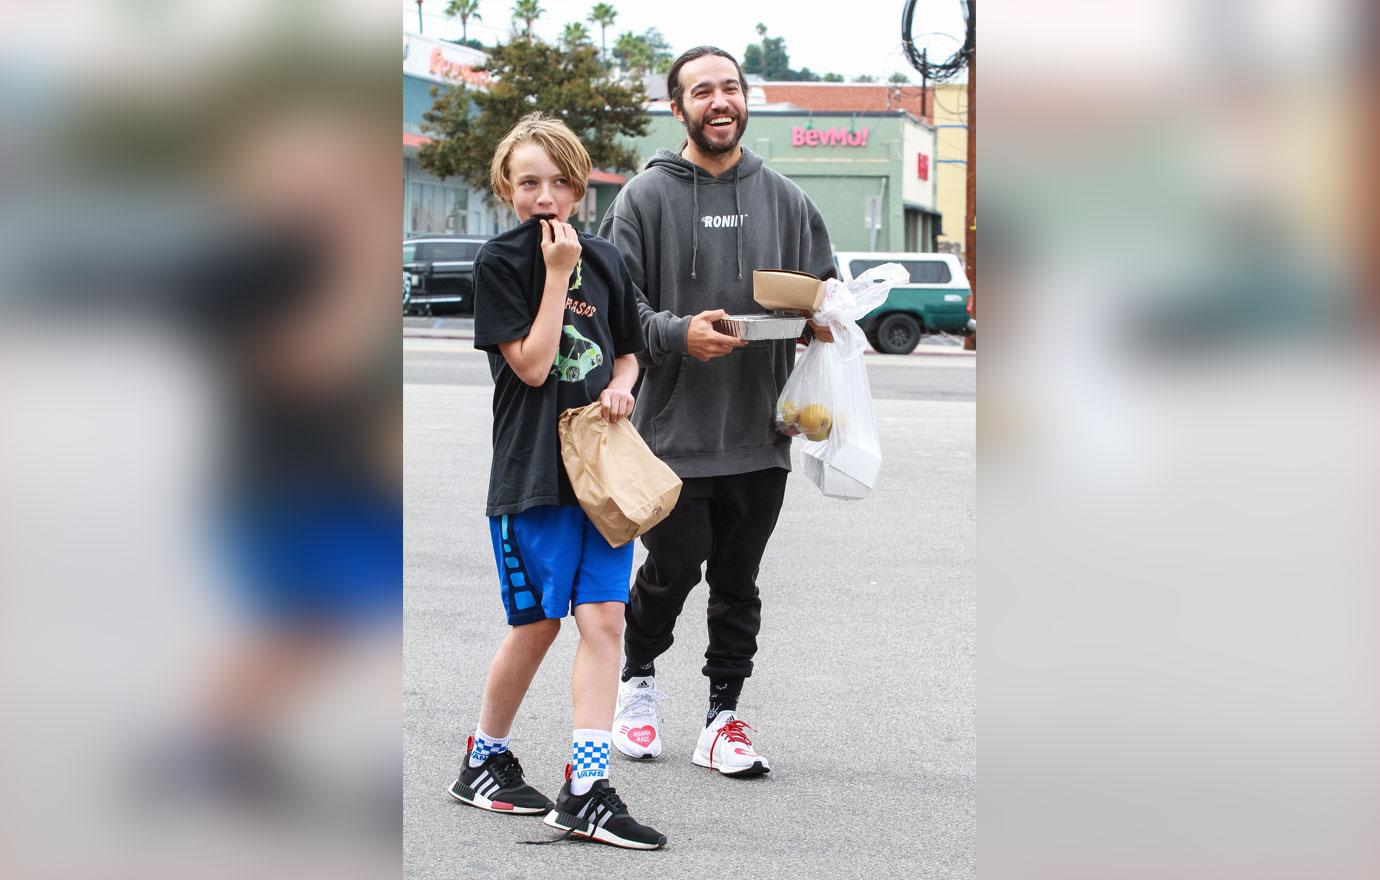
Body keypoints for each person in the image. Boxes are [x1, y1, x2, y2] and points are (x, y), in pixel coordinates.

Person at [597, 47, 836, 776]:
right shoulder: (643, 198)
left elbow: (826, 289)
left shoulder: (788, 198)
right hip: (670, 433)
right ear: (678, 109)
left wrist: (826, 320)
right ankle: (636, 685)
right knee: (673, 571)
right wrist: (677, 334)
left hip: (762, 432)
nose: (720, 101)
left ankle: (722, 717)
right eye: (703, 91)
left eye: (731, 88)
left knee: (739, 580)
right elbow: (612, 304)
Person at [448, 113, 665, 850]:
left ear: (578, 183)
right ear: (507, 188)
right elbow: (535, 364)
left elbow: (628, 350)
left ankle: (587, 787)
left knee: (605, 620)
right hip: (533, 476)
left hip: (600, 479)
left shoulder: (605, 259)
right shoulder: (501, 263)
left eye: (557, 181)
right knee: (538, 624)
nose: (545, 196)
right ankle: (483, 759)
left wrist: (622, 387)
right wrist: (556, 274)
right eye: (527, 182)